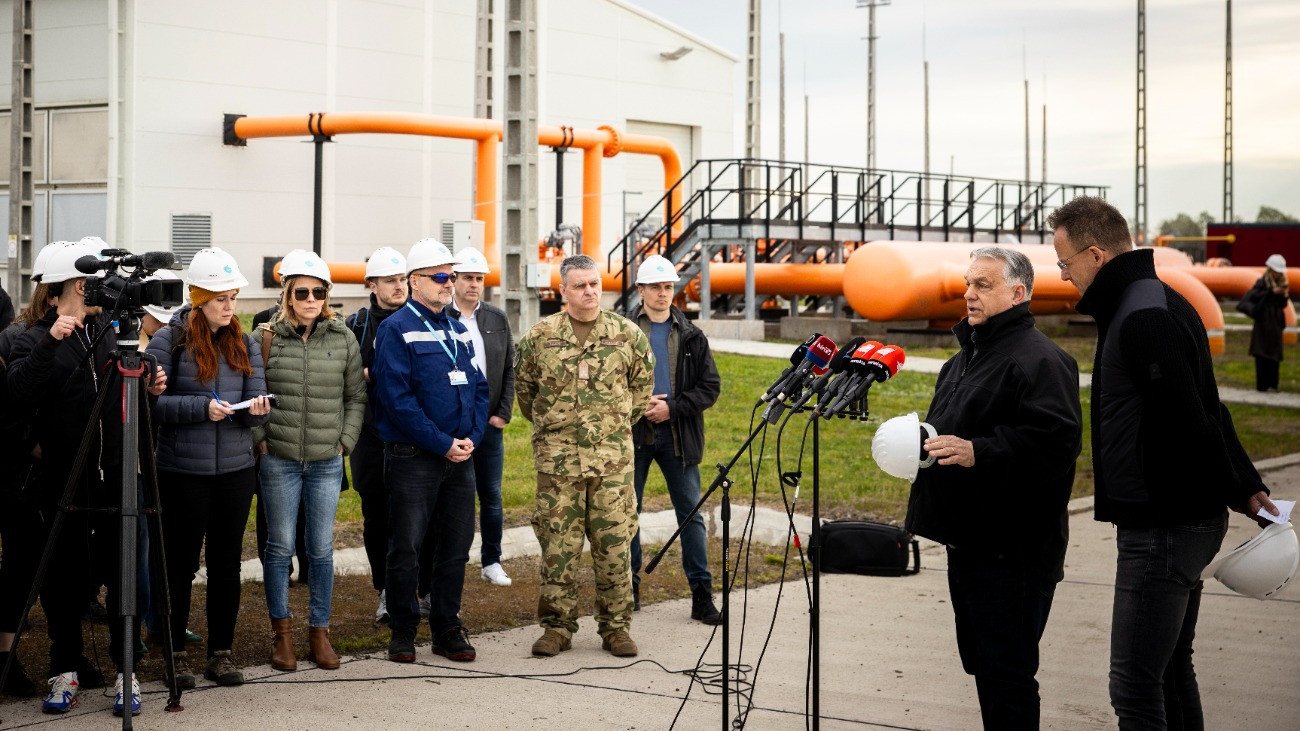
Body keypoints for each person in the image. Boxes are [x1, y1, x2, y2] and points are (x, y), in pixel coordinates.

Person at [1048, 196, 1278, 729]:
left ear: (1096, 255)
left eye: (1065, 263)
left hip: (1163, 527)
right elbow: (1207, 403)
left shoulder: (1144, 315)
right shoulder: (1156, 301)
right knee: (1171, 672)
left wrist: (1239, 489)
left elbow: (1193, 418)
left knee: (1132, 684)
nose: (1062, 277)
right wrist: (1244, 487)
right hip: (1175, 521)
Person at [903, 246, 1082, 729]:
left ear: (1017, 292)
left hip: (1014, 552)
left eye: (983, 285)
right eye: (968, 283)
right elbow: (952, 431)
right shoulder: (965, 357)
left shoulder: (1043, 360)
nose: (968, 294)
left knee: (1008, 675)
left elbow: (1056, 445)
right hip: (971, 542)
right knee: (985, 666)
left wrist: (979, 450)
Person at [7, 240, 168, 716]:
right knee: (64, 579)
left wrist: (151, 385)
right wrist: (50, 341)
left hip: (115, 475)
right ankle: (64, 669)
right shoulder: (33, 337)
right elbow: (16, 393)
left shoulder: (111, 331)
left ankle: (126, 672)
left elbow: (127, 405)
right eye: (87, 282)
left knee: (122, 574)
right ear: (74, 285)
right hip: (63, 477)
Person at [516, 254, 654, 658]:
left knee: (614, 548)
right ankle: (557, 628)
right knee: (559, 548)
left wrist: (607, 430)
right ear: (563, 291)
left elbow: (641, 392)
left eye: (594, 283)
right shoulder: (540, 337)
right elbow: (526, 394)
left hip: (612, 465)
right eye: (580, 285)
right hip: (558, 466)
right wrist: (561, 428)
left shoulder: (627, 335)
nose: (590, 291)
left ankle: (616, 628)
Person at [146, 248, 271, 688]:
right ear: (198, 298)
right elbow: (152, 405)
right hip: (183, 473)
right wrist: (202, 408)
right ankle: (174, 655)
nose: (230, 307)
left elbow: (259, 401)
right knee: (179, 565)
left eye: (233, 298)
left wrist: (254, 411)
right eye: (221, 298)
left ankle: (221, 653)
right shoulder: (169, 341)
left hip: (235, 472)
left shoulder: (246, 342)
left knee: (225, 564)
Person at [373, 238, 488, 664]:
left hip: (460, 456)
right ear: (415, 282)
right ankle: (403, 629)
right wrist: (442, 443)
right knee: (407, 546)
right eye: (441, 276)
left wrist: (471, 437)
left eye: (452, 276)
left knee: (456, 546)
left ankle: (446, 627)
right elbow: (396, 400)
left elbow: (478, 387)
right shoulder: (396, 328)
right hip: (414, 457)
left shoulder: (457, 328)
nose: (449, 283)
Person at [255, 248, 366, 672]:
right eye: (302, 291)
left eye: (318, 291)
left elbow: (356, 396)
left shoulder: (343, 339)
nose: (311, 299)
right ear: (287, 293)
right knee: (279, 547)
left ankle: (319, 632)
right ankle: (281, 634)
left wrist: (345, 442)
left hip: (325, 461)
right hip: (278, 459)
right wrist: (259, 440)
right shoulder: (265, 337)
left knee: (321, 549)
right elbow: (249, 392)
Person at [626, 254, 722, 623]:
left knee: (691, 516)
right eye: (655, 287)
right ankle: (628, 590)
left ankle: (701, 595)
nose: (663, 293)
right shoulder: (623, 331)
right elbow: (609, 385)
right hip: (634, 436)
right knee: (626, 515)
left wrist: (674, 408)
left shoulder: (692, 335)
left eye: (668, 287)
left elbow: (709, 388)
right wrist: (638, 405)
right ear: (641, 290)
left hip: (678, 437)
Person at [0, 242, 68, 699]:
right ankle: (6, 658)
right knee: (19, 567)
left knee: (36, 567)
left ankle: (21, 659)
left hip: (35, 469)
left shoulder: (85, 332)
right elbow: (16, 396)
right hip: (21, 465)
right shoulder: (19, 335)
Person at [345, 246, 414, 624]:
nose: (398, 286)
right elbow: (345, 374)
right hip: (370, 435)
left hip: (412, 434)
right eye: (390, 280)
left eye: (402, 279)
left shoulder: (422, 319)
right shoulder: (356, 325)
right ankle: (385, 590)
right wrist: (366, 376)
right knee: (376, 515)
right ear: (372, 285)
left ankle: (419, 589)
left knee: (416, 514)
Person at [448, 246, 516, 588]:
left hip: (489, 424)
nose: (474, 284)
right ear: (454, 279)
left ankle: (491, 560)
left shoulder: (496, 319)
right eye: (468, 278)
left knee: (491, 495)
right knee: (454, 498)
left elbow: (508, 369)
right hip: (455, 427)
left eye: (479, 278)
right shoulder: (442, 318)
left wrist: (502, 413)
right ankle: (451, 560)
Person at [1241, 254, 1289, 393]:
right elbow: (1253, 298)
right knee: (1261, 355)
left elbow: (1282, 305)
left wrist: (1282, 295)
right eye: (1276, 271)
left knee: (1274, 355)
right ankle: (1262, 385)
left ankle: (1273, 385)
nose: (1278, 274)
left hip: (1275, 324)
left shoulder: (1282, 284)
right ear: (1271, 270)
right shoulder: (1262, 283)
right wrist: (1270, 292)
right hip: (1263, 323)